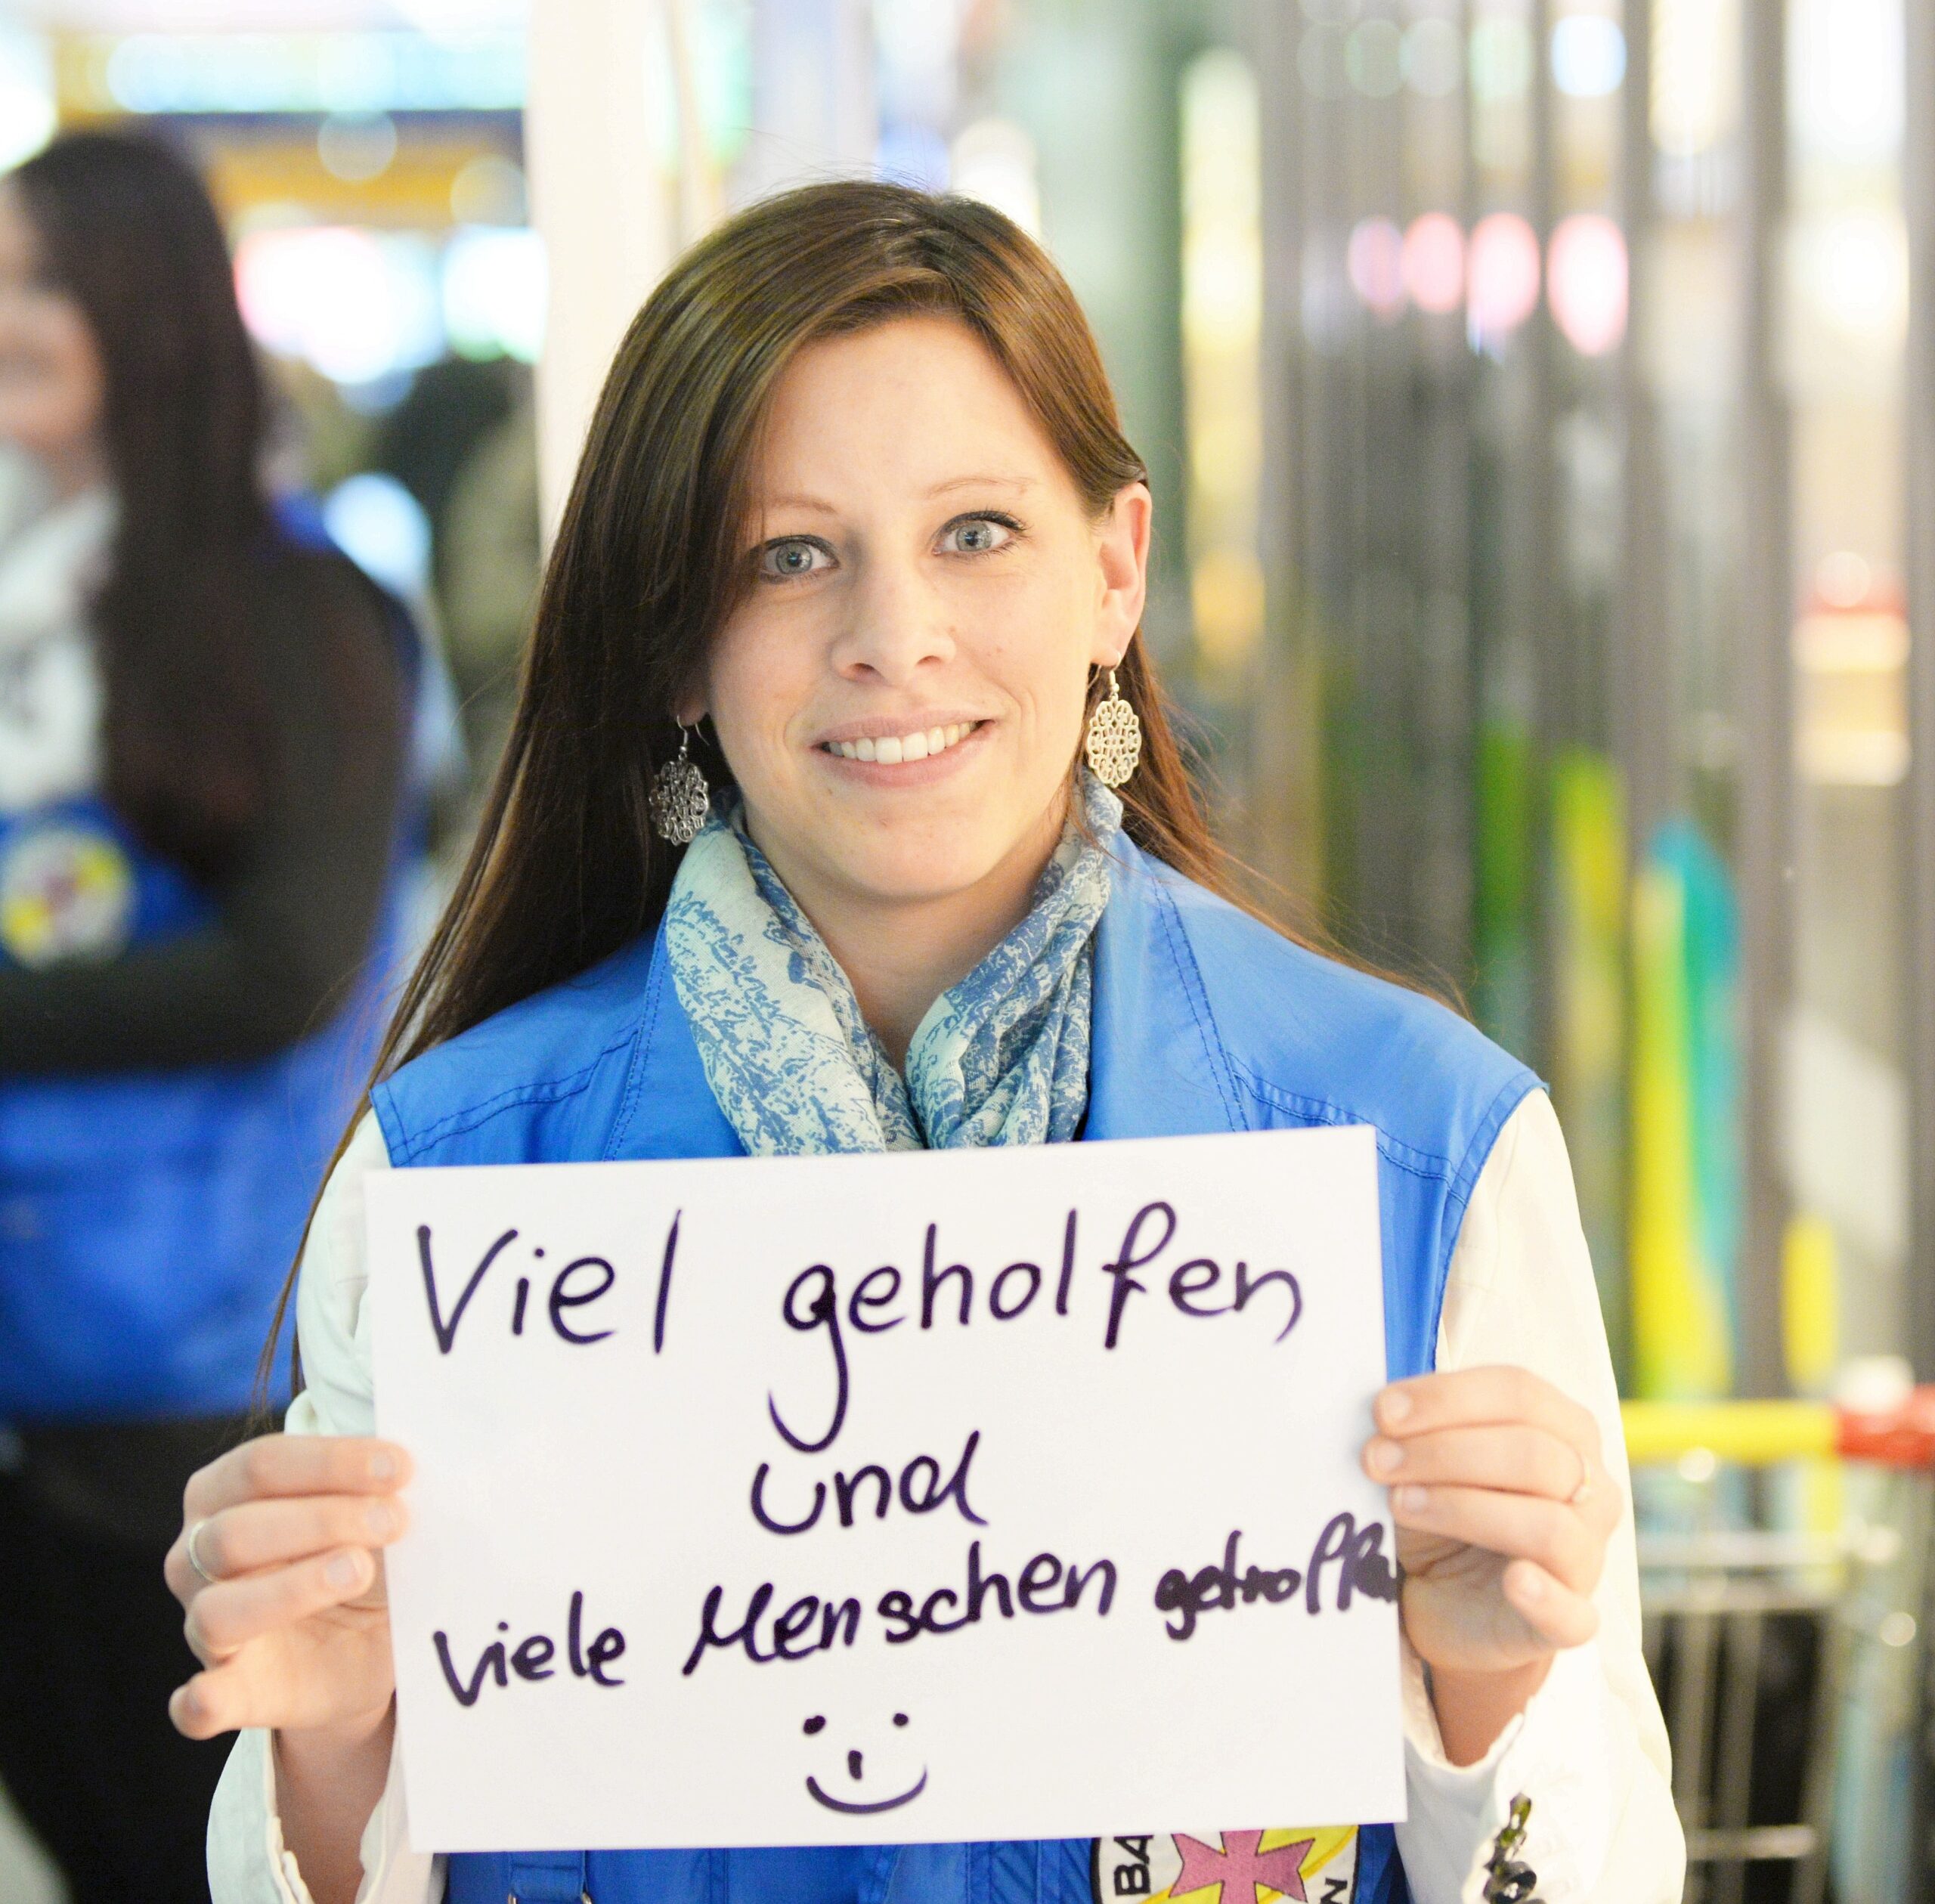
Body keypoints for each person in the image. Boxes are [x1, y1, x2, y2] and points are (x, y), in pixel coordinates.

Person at [172, 182, 1683, 1904]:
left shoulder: (1418, 1150)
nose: (893, 637)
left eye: (976, 532)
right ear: (675, 641)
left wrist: (1479, 1693)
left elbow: (1607, 1862)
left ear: (1114, 572)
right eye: (788, 555)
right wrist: (337, 1754)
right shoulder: (458, 1186)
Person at [0, 132, 412, 1902]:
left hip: (187, 1382)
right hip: (27, 1387)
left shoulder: (299, 612)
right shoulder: (26, 607)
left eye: (29, 277)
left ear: (141, 308)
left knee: (194, 1854)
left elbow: (289, 967)